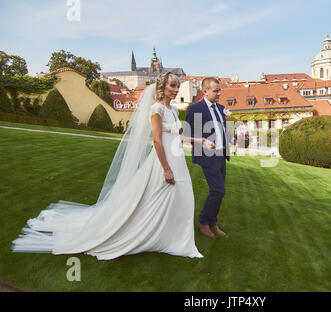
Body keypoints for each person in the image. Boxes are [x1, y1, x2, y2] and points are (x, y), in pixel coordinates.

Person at [11, 72, 210, 260]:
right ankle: (169, 239)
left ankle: (175, 236)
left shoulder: (173, 110)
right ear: (162, 87)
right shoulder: (156, 109)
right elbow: (157, 141)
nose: (176, 90)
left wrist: (198, 139)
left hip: (177, 159)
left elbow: (175, 135)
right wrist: (166, 168)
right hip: (163, 160)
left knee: (182, 197)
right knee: (160, 197)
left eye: (177, 86)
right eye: (172, 86)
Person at [185, 77, 235, 239]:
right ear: (204, 91)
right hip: (207, 156)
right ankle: (202, 221)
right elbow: (188, 135)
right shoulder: (195, 109)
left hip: (221, 155)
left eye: (219, 90)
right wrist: (203, 144)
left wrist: (231, 137)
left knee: (219, 192)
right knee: (218, 190)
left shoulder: (220, 108)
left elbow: (221, 130)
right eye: (215, 90)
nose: (219, 93)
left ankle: (213, 222)